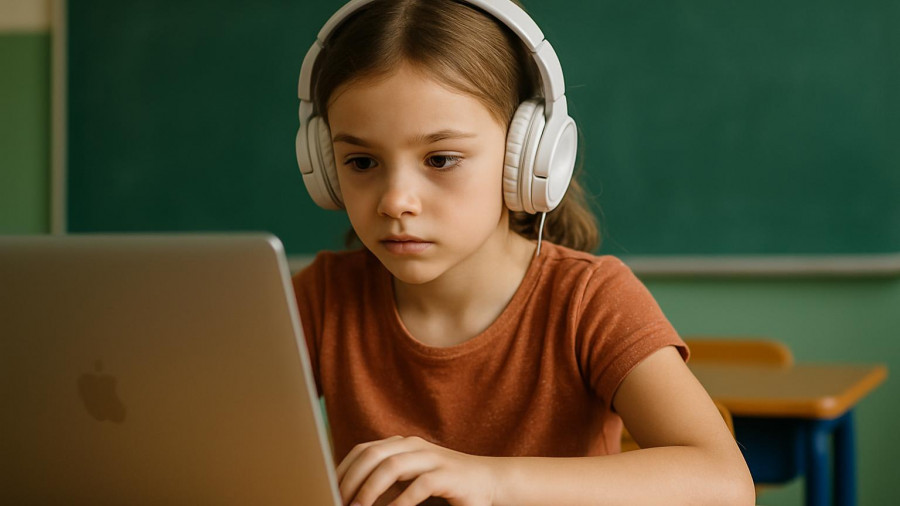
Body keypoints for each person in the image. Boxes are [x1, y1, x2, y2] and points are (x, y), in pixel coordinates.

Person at [292, 1, 755, 505]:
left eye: (441, 158)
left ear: (529, 156)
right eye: (361, 161)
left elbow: (725, 484)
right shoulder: (318, 298)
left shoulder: (589, 300)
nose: (395, 201)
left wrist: (489, 480)